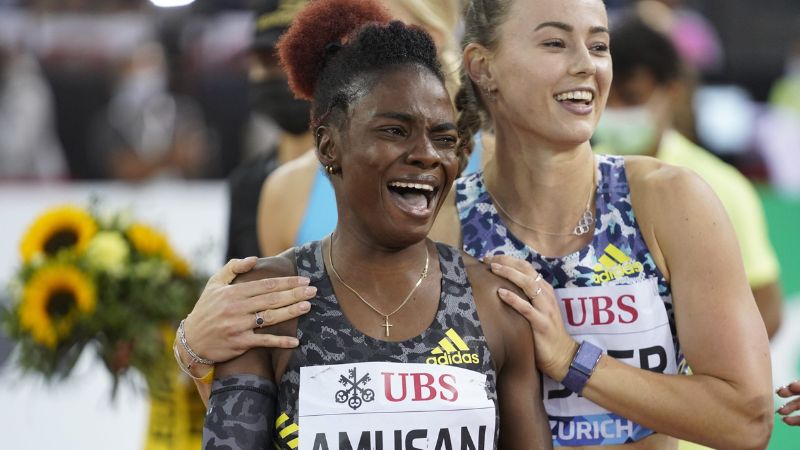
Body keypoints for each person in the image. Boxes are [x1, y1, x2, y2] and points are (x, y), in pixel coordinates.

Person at [183, 0, 774, 448]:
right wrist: (198, 353)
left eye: (598, 46)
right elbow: (345, 406)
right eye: (554, 43)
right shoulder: (435, 219)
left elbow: (746, 418)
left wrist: (573, 362)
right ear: (482, 67)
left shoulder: (667, 199)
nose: (585, 67)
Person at [199, 0, 551, 447]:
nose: (427, 154)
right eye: (395, 131)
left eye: (443, 137)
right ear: (329, 146)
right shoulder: (268, 302)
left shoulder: (497, 305)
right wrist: (192, 349)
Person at [254, 0, 495, 257]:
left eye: (373, 31)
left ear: (431, 38)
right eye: (345, 35)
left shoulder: (503, 169)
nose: (357, 51)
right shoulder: (287, 189)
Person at [592, 16, 783, 339]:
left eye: (632, 96)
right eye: (607, 96)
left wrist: (707, 375)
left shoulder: (720, 185)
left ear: (672, 91)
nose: (617, 109)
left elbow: (766, 307)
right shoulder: (579, 173)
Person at [225, 0, 314, 260]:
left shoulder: (356, 179)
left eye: (291, 62)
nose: (280, 76)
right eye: (267, 62)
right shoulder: (246, 184)